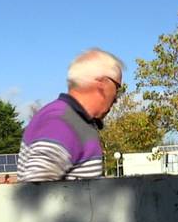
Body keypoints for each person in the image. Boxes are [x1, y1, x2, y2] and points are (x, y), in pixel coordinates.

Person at [17, 48, 123, 182]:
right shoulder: (61, 123)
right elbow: (35, 194)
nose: (116, 98)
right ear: (101, 83)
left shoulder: (74, 120)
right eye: (117, 88)